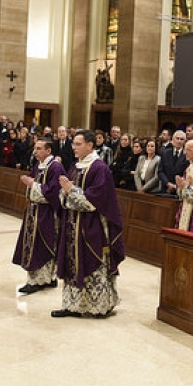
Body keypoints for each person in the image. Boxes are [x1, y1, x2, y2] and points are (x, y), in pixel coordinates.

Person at [53, 130, 125, 318]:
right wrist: (65, 192)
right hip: (72, 224)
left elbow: (95, 201)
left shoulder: (99, 168)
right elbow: (63, 192)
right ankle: (73, 305)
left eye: (78, 144)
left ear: (90, 145)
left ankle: (97, 307)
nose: (73, 147)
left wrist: (71, 190)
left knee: (92, 262)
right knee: (72, 263)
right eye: (73, 144)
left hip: (91, 226)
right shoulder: (75, 166)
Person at [12, 137, 64, 294]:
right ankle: (45, 278)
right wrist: (31, 185)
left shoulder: (55, 167)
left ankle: (39, 280)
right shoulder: (39, 165)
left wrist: (32, 185)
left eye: (39, 148)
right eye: (35, 148)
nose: (35, 151)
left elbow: (54, 193)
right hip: (34, 212)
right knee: (34, 245)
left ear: (48, 150)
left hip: (47, 214)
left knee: (43, 245)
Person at [158, 130, 187, 194]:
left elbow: (186, 174)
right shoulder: (165, 152)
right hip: (165, 189)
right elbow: (160, 171)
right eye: (177, 138)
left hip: (180, 190)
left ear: (184, 141)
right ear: (173, 140)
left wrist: (175, 186)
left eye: (181, 139)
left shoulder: (187, 155)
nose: (179, 141)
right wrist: (168, 184)